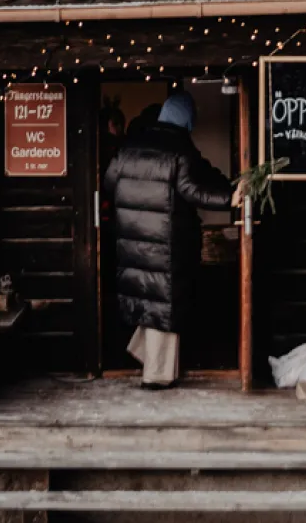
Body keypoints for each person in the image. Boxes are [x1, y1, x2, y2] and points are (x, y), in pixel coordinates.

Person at [101, 91, 232, 389]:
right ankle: (156, 375)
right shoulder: (180, 149)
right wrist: (231, 197)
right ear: (187, 119)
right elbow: (193, 191)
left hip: (133, 240)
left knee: (151, 300)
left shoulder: (129, 146)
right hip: (166, 243)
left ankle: (143, 354)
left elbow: (109, 182)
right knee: (164, 306)